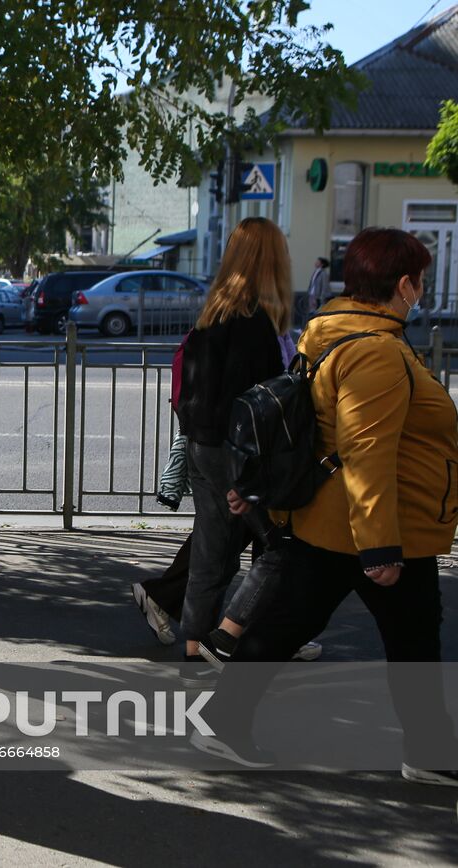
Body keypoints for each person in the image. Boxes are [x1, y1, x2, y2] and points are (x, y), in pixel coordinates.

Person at [199, 228, 458, 782]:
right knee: (410, 640)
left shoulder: (335, 331)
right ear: (404, 284)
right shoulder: (377, 351)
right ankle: (430, 753)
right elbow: (366, 450)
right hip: (377, 525)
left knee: (293, 625)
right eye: (420, 281)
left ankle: (224, 720)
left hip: (339, 520)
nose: (422, 291)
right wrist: (380, 546)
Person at [172, 217, 301, 672]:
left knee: (211, 551)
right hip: (236, 451)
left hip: (202, 444)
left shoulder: (213, 313)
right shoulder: (255, 323)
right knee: (284, 548)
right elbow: (257, 404)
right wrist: (247, 474)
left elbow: (195, 391)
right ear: (271, 261)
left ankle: (193, 646)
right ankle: (227, 636)